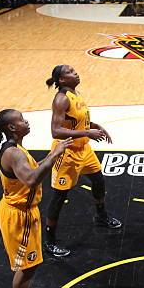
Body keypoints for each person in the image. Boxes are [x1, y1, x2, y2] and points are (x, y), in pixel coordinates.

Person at [0, 109, 73, 288]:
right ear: (11, 127)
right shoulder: (13, 153)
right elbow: (31, 179)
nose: (26, 121)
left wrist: (52, 155)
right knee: (27, 267)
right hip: (19, 216)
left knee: (30, 263)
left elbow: (29, 170)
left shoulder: (16, 148)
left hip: (24, 213)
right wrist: (54, 154)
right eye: (21, 120)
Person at [43, 65, 123, 257]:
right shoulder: (61, 99)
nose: (75, 72)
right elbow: (56, 131)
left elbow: (77, 121)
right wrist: (87, 132)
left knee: (98, 180)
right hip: (67, 151)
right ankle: (50, 241)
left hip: (84, 149)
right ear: (62, 80)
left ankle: (101, 216)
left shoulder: (75, 93)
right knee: (59, 196)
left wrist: (94, 125)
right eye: (70, 72)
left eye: (74, 70)